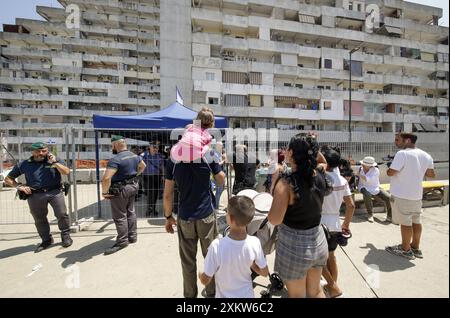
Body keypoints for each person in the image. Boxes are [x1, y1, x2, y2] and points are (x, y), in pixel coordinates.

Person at [164, 107, 226, 298]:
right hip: (206, 214)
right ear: (210, 126)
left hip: (185, 216)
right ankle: (211, 293)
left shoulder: (174, 157)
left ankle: (190, 297)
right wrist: (218, 166)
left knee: (187, 262)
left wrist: (168, 217)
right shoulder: (208, 152)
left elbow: (167, 194)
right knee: (211, 258)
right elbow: (221, 179)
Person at [267, 133, 329, 298]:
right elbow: (323, 161)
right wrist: (312, 145)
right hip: (318, 241)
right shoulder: (320, 173)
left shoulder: (286, 184)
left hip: (294, 246)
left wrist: (274, 184)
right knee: (316, 291)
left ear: (291, 153)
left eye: (288, 148)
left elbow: (274, 219)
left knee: (297, 296)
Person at [5, 142, 73, 252]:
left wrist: (54, 162)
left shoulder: (54, 160)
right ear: (32, 151)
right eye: (37, 151)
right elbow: (8, 179)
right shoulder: (24, 164)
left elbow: (66, 171)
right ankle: (46, 240)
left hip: (55, 192)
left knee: (62, 214)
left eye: (44, 151)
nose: (41, 153)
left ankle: (66, 236)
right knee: (39, 218)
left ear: (47, 150)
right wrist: (19, 186)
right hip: (35, 195)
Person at [199, 196, 269, 298]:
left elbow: (206, 280)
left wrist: (200, 275)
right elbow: (265, 272)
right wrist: (253, 265)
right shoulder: (255, 242)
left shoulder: (217, 246)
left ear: (230, 218)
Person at [385, 132, 435, 260]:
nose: (395, 142)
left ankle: (405, 250)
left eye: (398, 140)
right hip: (416, 195)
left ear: (407, 140)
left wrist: (389, 167)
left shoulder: (402, 154)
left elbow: (391, 173)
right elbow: (431, 174)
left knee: (405, 223)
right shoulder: (426, 155)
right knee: (416, 221)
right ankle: (415, 247)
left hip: (402, 194)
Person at [102, 135, 146, 255]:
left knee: (120, 215)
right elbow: (143, 166)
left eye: (112, 145)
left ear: (115, 145)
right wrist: (135, 175)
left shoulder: (115, 159)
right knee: (130, 211)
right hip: (133, 186)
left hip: (120, 190)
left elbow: (106, 178)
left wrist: (105, 192)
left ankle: (122, 241)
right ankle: (132, 236)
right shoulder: (135, 156)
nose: (112, 147)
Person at [320, 148, 355, 298]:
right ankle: (331, 286)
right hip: (335, 223)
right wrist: (346, 224)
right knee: (331, 256)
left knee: (318, 261)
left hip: (320, 224)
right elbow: (351, 205)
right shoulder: (342, 180)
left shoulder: (320, 179)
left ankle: (333, 286)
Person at [357, 156, 392, 223]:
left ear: (369, 166)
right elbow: (362, 180)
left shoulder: (376, 170)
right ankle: (370, 214)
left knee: (388, 197)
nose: (362, 165)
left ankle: (390, 216)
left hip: (375, 187)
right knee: (367, 195)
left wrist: (359, 175)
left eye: (364, 164)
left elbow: (368, 179)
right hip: (363, 186)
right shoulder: (360, 169)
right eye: (363, 164)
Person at [141, 142, 164, 216]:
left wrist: (163, 175)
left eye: (157, 147)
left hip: (157, 176)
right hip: (147, 176)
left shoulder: (160, 156)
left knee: (155, 193)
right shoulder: (144, 155)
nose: (155, 149)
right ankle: (149, 209)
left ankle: (153, 209)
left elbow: (162, 166)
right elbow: (138, 164)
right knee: (150, 193)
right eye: (154, 147)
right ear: (149, 147)